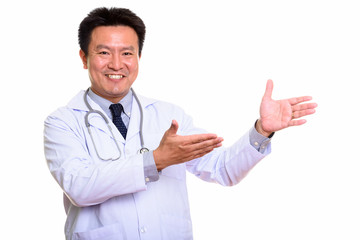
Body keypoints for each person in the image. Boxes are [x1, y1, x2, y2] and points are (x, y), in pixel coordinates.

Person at [44, 7, 317, 240]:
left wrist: (262, 130)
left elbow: (222, 169)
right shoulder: (62, 122)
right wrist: (156, 161)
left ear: (138, 57)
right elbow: (79, 187)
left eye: (127, 53)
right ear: (84, 58)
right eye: (104, 52)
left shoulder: (167, 114)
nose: (117, 64)